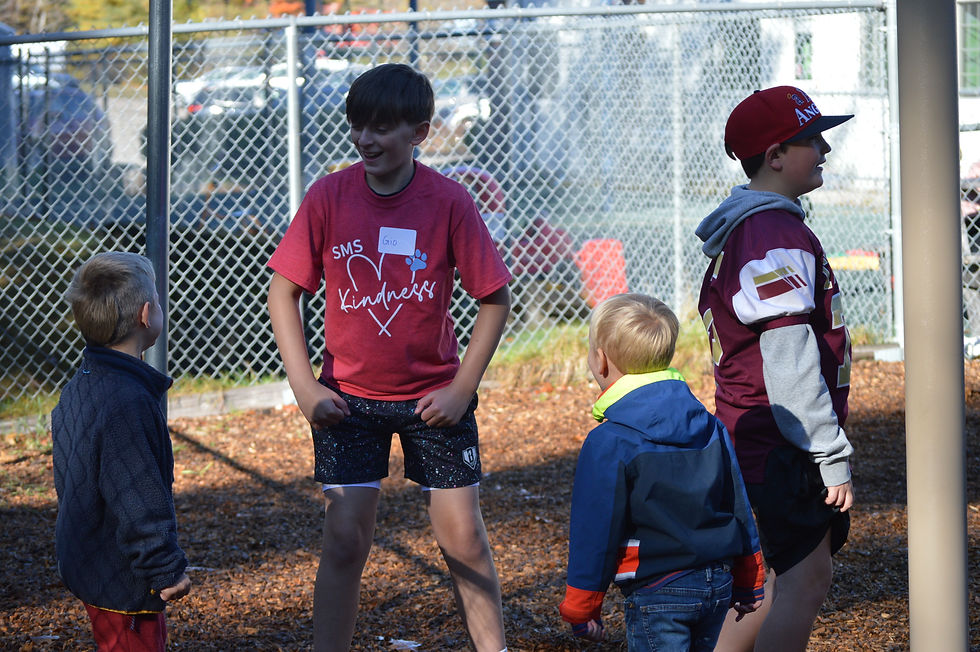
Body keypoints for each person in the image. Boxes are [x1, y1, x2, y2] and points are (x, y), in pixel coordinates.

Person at [266, 63, 511, 652]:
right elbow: (283, 291)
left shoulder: (449, 202)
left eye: (380, 127)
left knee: (463, 540)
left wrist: (461, 390)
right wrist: (305, 389)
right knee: (345, 538)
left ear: (419, 132)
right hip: (347, 402)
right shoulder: (329, 195)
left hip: (434, 403)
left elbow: (494, 298)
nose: (365, 139)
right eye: (357, 126)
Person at [695, 86, 856, 652]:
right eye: (812, 139)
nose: (825, 149)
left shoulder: (763, 227)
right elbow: (787, 361)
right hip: (780, 439)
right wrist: (828, 452)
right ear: (776, 155)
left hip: (764, 433)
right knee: (806, 583)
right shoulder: (771, 233)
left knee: (778, 582)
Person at [558, 293, 765, 651]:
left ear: (601, 361)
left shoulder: (610, 440)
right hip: (717, 582)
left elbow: (596, 527)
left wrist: (581, 605)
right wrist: (750, 579)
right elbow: (738, 504)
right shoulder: (708, 425)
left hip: (658, 591)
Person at [51, 251, 191, 652]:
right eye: (160, 302)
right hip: (123, 579)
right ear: (147, 315)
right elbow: (138, 499)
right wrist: (165, 570)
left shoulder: (83, 383)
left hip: (90, 559)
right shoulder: (126, 404)